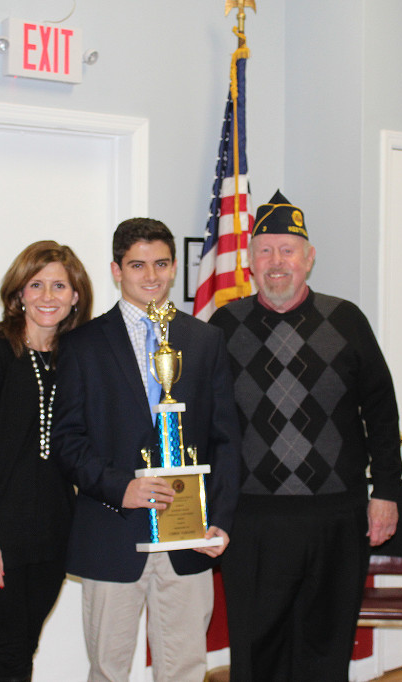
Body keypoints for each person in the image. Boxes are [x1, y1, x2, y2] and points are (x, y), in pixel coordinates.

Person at [208, 190, 402, 682]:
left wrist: (385, 492)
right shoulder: (222, 326)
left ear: (309, 258)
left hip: (336, 516)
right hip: (252, 520)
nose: (278, 263)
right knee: (257, 650)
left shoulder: (347, 321)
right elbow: (203, 423)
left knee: (326, 647)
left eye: (288, 250)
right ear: (250, 261)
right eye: (266, 251)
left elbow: (381, 412)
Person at [52, 218, 241, 682]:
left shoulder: (204, 339)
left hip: (188, 533)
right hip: (113, 531)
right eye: (137, 265)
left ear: (175, 267)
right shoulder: (81, 344)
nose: (151, 275)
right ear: (117, 270)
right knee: (109, 669)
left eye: (160, 263)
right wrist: (124, 488)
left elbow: (226, 438)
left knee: (184, 668)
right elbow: (68, 440)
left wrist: (219, 516)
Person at [0, 241, 93, 682]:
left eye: (59, 285)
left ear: (76, 295)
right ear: (19, 293)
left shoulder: (76, 356)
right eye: (36, 285)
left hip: (55, 532)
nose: (48, 296)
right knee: (12, 650)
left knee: (24, 646)